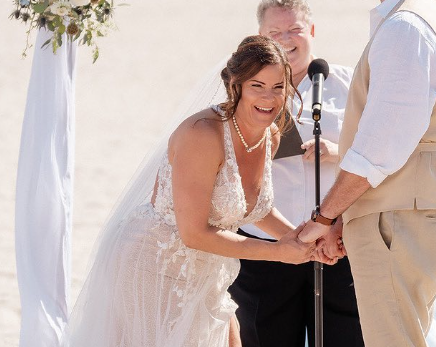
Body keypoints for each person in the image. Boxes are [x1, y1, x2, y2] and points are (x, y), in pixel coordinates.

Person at [63, 35, 321, 347]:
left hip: (208, 270)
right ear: (236, 85)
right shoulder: (202, 135)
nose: (269, 98)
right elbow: (195, 234)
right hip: (153, 264)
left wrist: (303, 240)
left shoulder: (272, 135)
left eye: (278, 87)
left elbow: (255, 207)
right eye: (257, 86)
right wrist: (278, 253)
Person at [299, 0, 436, 347]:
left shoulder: (406, 29)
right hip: (400, 211)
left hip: (399, 218)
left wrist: (325, 216)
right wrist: (347, 219)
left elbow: (379, 149)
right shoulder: (412, 21)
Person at [228, 0, 364, 347]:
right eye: (275, 33)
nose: (286, 40)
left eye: (295, 30)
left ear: (312, 31)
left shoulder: (351, 84)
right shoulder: (247, 90)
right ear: (261, 37)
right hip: (267, 247)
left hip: (338, 244)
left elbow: (377, 150)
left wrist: (338, 151)